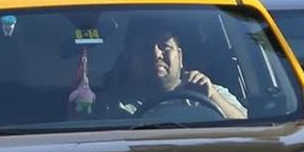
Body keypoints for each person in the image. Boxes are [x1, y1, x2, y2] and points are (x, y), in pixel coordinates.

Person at [97, 25, 247, 119]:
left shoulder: (209, 92)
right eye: (145, 48)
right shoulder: (109, 105)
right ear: (129, 59)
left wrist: (213, 96)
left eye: (165, 46)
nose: (156, 54)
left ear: (180, 57)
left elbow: (248, 132)